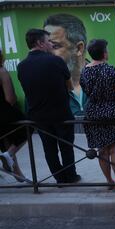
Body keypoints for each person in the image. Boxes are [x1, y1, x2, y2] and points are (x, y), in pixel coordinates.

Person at [17, 29, 80, 184]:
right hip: (61, 113)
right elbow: (70, 87)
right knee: (66, 146)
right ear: (40, 43)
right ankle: (70, 177)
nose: (51, 44)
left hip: (38, 116)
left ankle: (59, 178)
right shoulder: (56, 61)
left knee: (49, 149)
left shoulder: (22, 66)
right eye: (48, 41)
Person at [79, 39, 115, 191]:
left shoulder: (85, 72)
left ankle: (109, 181)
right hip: (113, 113)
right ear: (104, 53)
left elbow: (86, 92)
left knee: (102, 150)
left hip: (93, 113)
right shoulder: (110, 70)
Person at [44, 14, 88, 117]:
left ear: (79, 48)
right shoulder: (41, 83)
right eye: (46, 47)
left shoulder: (101, 77)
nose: (47, 53)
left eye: (55, 46)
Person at [0, 49, 26, 181]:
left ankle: (18, 174)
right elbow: (10, 98)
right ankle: (10, 154)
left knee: (5, 141)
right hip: (4, 112)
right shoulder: (2, 71)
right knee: (28, 127)